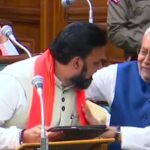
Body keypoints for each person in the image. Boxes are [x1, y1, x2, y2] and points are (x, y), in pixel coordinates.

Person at [0, 22, 107, 149]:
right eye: (96, 63)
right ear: (77, 63)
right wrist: (22, 137)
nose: (100, 68)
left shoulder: (81, 80)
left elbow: (109, 122)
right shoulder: (15, 80)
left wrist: (96, 127)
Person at [86, 26, 150, 150]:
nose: (146, 60)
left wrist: (116, 133)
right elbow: (76, 86)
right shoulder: (116, 74)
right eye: (143, 52)